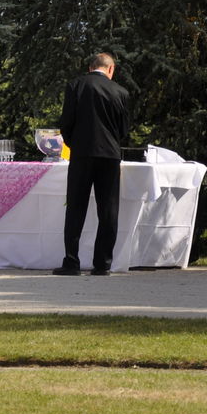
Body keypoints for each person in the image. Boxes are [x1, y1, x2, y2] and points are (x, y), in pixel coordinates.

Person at [53, 51, 131, 276]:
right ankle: (102, 264)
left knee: (76, 207)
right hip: (110, 156)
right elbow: (124, 129)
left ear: (90, 68)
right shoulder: (121, 92)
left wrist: (74, 144)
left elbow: (66, 122)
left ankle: (71, 262)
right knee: (108, 210)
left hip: (82, 153)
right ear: (111, 69)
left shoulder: (76, 86)